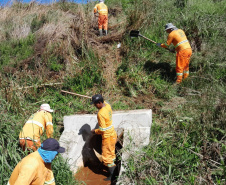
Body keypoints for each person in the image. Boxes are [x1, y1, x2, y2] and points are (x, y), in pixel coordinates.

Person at [91, 94, 117, 181]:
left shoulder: (100, 114)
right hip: (113, 134)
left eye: (95, 104)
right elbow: (105, 101)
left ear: (100, 102)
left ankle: (112, 176)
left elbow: (102, 129)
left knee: (107, 157)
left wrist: (95, 131)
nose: (95, 106)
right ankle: (115, 170)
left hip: (107, 137)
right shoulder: (108, 106)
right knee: (112, 154)